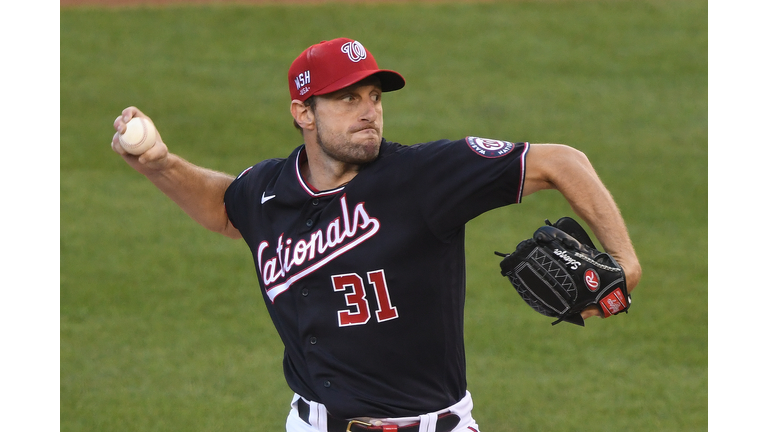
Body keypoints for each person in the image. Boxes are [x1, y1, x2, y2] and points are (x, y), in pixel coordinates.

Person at [111, 38, 641, 432]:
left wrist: (625, 261)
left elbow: (559, 162)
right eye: (347, 99)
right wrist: (160, 164)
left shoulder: (423, 177)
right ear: (304, 113)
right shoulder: (268, 190)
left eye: (374, 97)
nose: (369, 112)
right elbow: (227, 210)